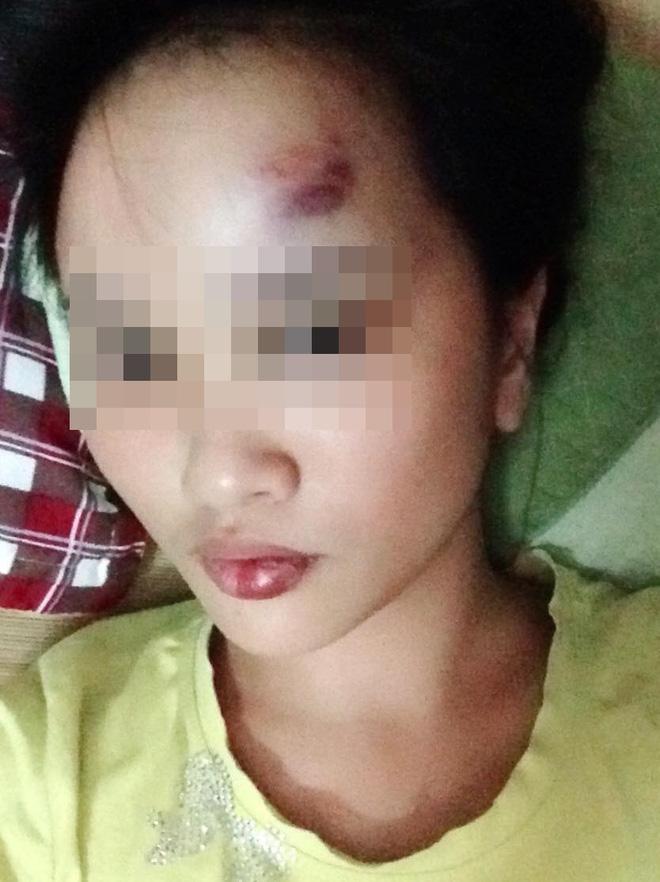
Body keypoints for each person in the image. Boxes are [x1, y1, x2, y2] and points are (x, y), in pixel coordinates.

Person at [1, 1, 658, 879]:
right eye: (129, 348)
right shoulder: (45, 776)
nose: (219, 471)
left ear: (510, 337)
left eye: (312, 322)